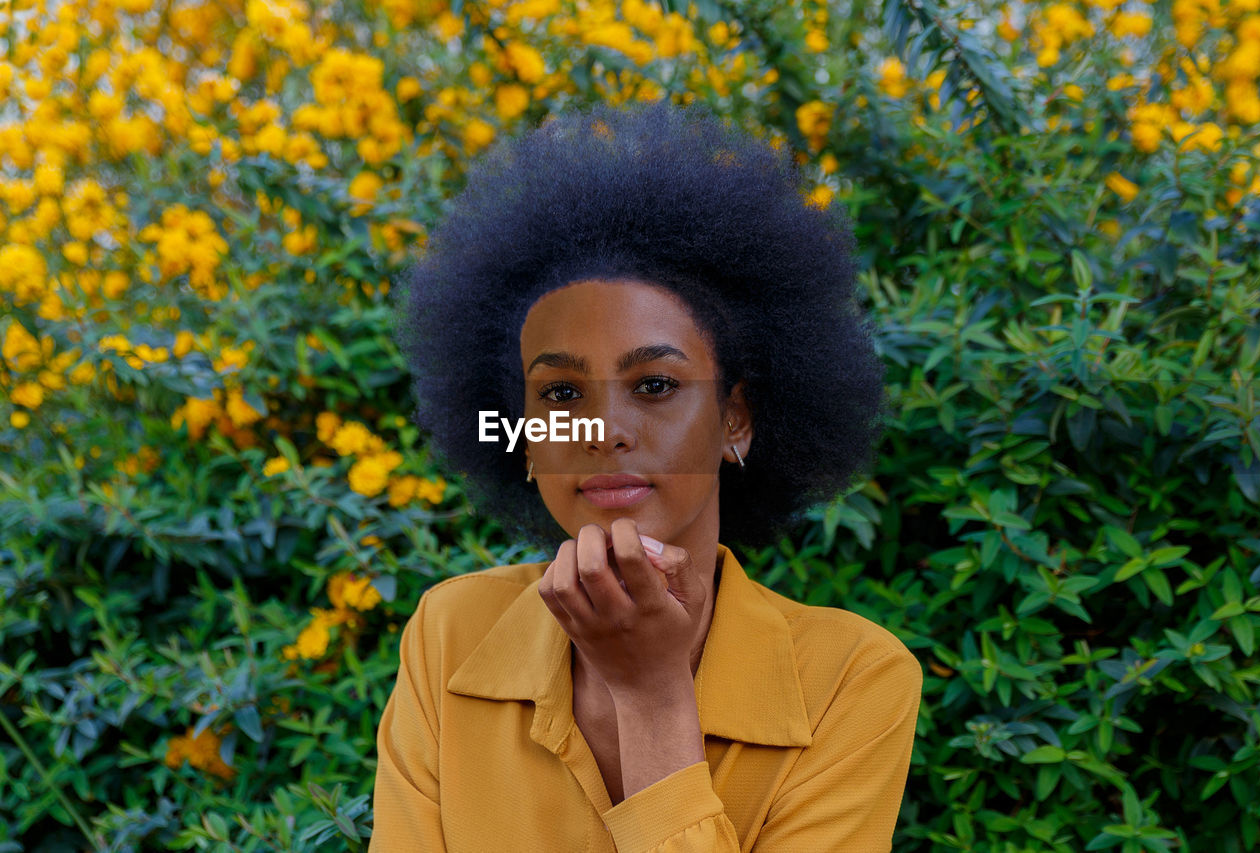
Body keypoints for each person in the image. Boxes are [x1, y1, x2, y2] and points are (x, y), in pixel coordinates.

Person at [374, 100, 922, 851]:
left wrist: (652, 694)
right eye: (562, 393)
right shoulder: (449, 635)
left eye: (656, 386)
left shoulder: (852, 679)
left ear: (737, 417)